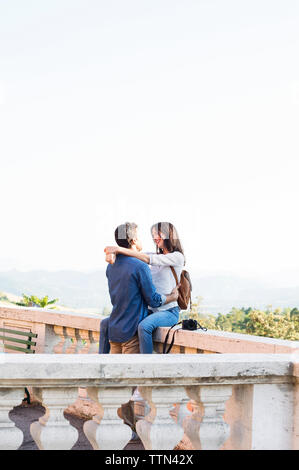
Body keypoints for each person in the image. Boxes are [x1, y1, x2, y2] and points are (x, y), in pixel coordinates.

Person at [101, 221, 185, 354]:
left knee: (144, 327)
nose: (155, 237)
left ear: (169, 235)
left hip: (168, 310)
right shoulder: (152, 255)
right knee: (107, 322)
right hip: (151, 310)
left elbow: (146, 259)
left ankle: (146, 362)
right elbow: (135, 255)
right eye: (153, 234)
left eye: (158, 233)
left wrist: (117, 249)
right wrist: (114, 253)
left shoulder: (177, 257)